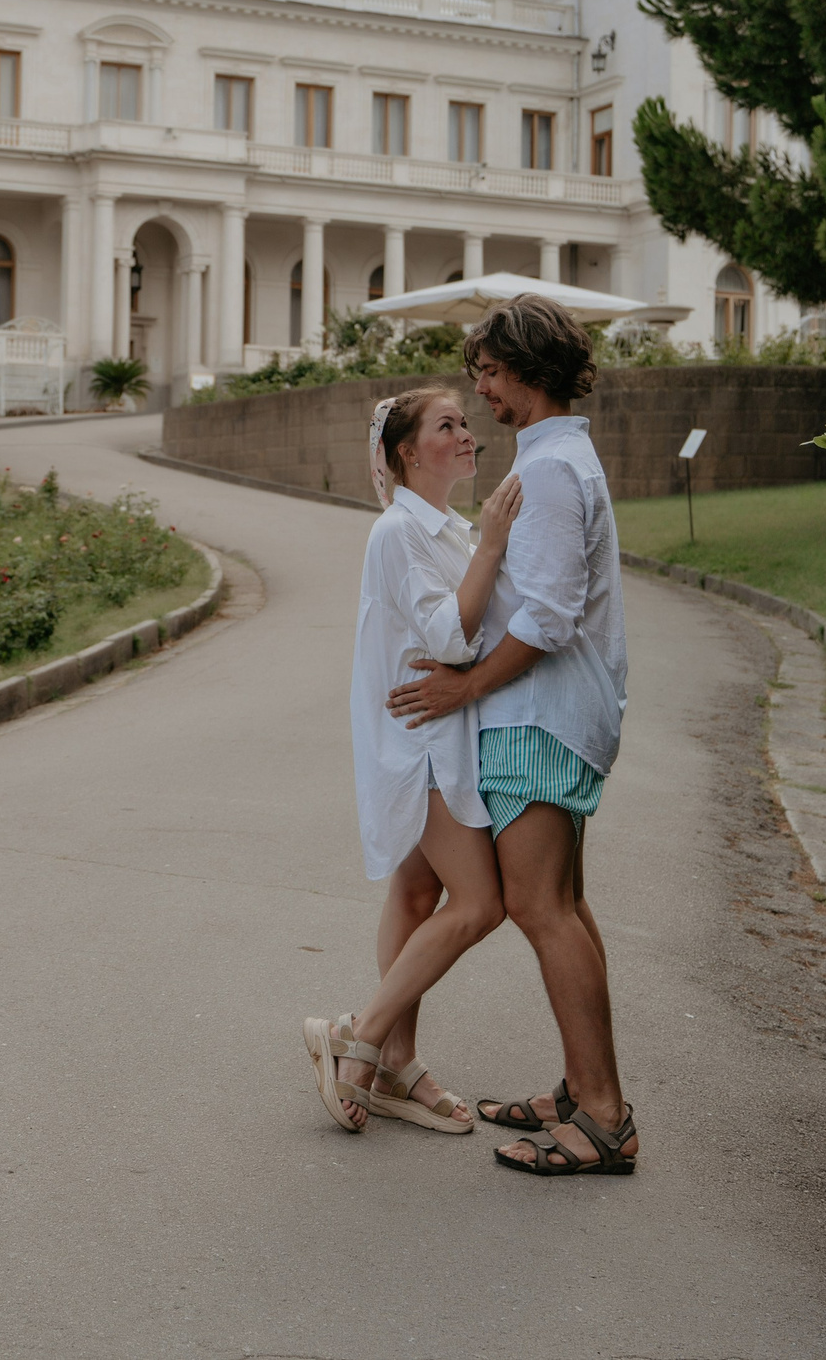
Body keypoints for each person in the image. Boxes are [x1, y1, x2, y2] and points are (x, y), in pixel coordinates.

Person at [386, 294, 636, 1176]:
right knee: (563, 901)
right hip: (549, 710)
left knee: (539, 907)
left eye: (489, 371)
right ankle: (582, 1090)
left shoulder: (557, 467)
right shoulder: (557, 455)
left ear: (529, 368)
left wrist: (464, 687)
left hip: (537, 714)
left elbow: (552, 614)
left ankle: (602, 1117)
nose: (482, 389)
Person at [302, 387, 522, 1133]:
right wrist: (492, 545)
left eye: (466, 422)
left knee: (415, 892)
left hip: (447, 734)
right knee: (480, 902)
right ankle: (359, 1039)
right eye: (447, 425)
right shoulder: (400, 531)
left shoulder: (447, 530)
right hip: (423, 741)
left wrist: (481, 544)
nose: (468, 434)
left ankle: (397, 1062)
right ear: (406, 451)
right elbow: (450, 637)